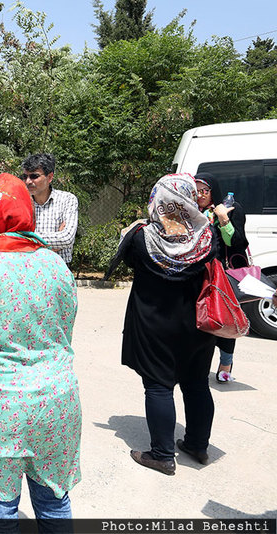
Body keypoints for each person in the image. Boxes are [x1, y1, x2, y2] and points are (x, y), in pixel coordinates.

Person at [0, 173, 81, 532]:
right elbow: (66, 325)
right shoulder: (55, 265)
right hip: (57, 401)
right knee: (54, 502)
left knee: (2, 510)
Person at [120, 173, 218, 474]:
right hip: (197, 324)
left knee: (159, 386)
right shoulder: (206, 237)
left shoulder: (141, 238)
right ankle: (198, 445)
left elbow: (128, 261)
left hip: (154, 323)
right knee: (198, 383)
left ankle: (162, 454)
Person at [195, 172, 248, 383]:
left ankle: (226, 363)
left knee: (224, 317)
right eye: (195, 191)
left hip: (222, 274)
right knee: (201, 318)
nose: (199, 195)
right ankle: (197, 362)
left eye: (204, 191)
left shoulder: (231, 208)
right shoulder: (193, 211)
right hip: (199, 274)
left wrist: (223, 218)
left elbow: (235, 242)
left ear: (213, 191)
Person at [21, 153, 78, 264]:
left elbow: (66, 238)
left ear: (50, 177)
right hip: (29, 270)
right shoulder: (21, 202)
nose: (28, 181)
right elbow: (13, 240)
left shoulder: (67, 200)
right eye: (25, 177)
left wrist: (28, 239)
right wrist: (55, 242)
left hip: (59, 270)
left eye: (34, 176)